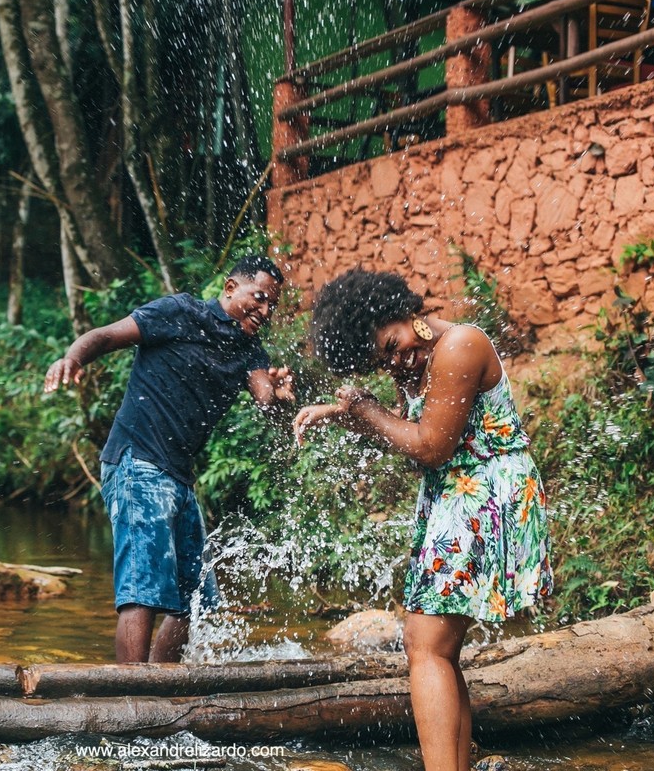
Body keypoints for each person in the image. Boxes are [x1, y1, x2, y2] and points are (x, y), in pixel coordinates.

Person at [291, 268, 552, 771]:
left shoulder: (459, 346)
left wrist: (365, 411)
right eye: (381, 359)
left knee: (425, 644)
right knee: (437, 649)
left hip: (485, 494)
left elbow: (430, 447)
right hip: (457, 496)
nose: (396, 360)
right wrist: (339, 412)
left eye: (393, 344)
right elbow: (407, 441)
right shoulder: (418, 363)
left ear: (403, 310)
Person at [44, 256, 294, 663]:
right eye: (260, 298)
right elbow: (106, 336)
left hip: (178, 477)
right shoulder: (180, 313)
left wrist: (281, 398)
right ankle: (131, 699)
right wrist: (73, 358)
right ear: (231, 288)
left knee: (194, 596)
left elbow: (265, 396)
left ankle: (162, 692)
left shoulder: (249, 350)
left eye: (272, 306)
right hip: (135, 459)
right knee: (142, 586)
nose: (265, 312)